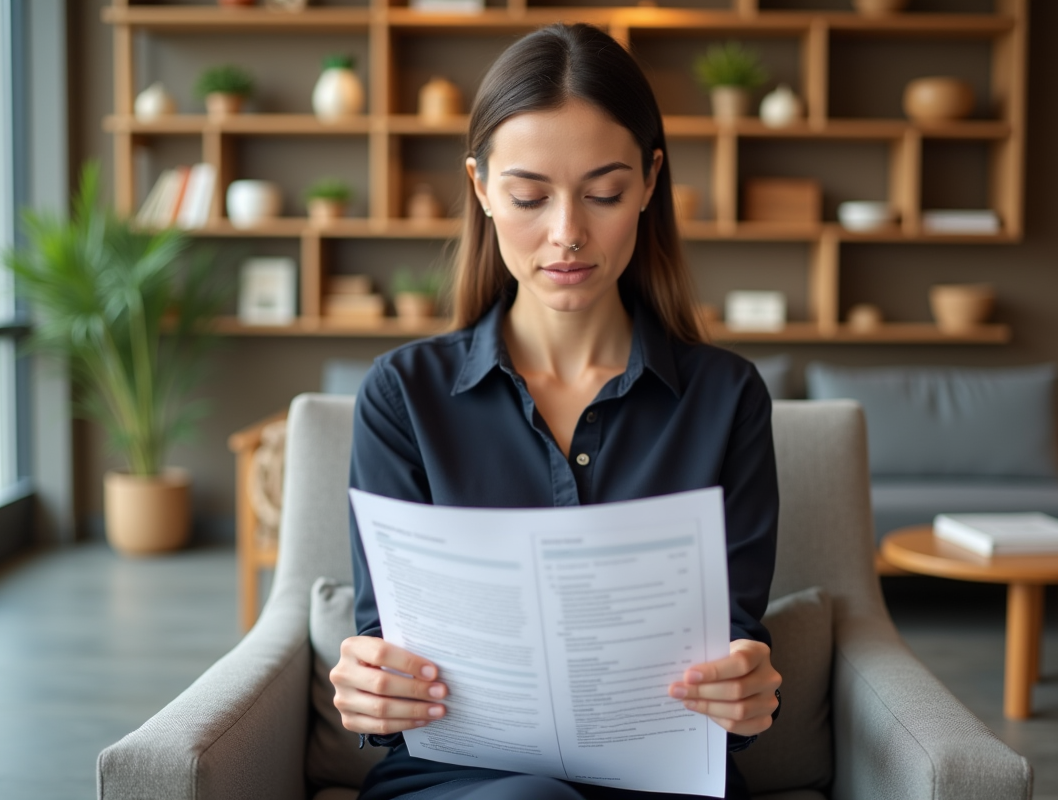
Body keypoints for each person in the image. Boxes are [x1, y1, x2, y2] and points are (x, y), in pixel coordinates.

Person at [330, 23, 781, 800]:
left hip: (663, 781)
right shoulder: (402, 396)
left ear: (648, 183)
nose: (567, 233)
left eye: (603, 193)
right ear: (480, 188)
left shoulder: (727, 398)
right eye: (530, 196)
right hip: (460, 781)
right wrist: (372, 687)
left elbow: (735, 636)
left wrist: (747, 688)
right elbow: (385, 642)